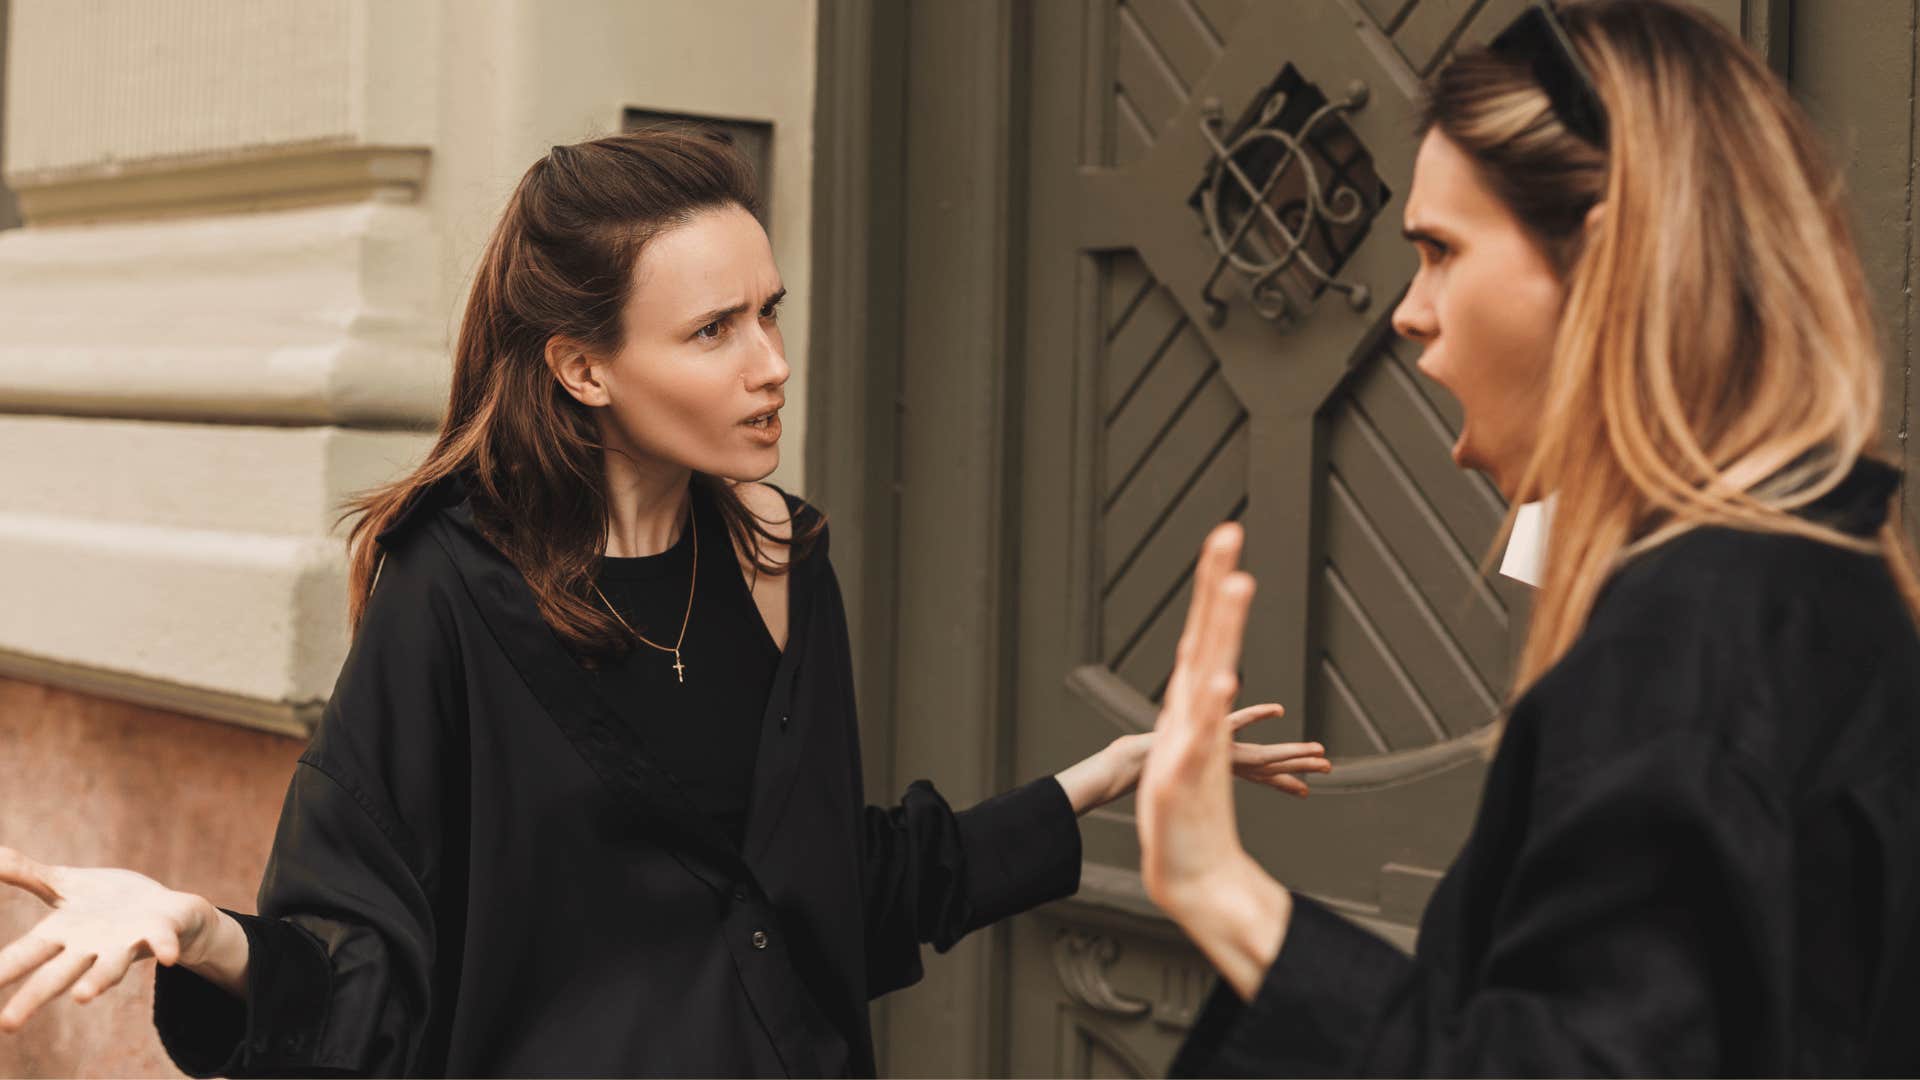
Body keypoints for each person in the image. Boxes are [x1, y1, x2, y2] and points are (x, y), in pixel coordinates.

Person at [0, 128, 1333, 1077]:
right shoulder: (450, 590)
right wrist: (200, 935)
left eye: (771, 312)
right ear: (584, 368)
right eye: (713, 331)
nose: (772, 365)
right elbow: (369, 973)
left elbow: (822, 898)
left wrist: (1091, 783)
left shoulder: (776, 556)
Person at [1135, 0, 1920, 1075]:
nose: (1409, 312)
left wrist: (1222, 891)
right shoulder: (1811, 581)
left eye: (1442, 251)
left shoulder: (1695, 642)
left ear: (1608, 267)